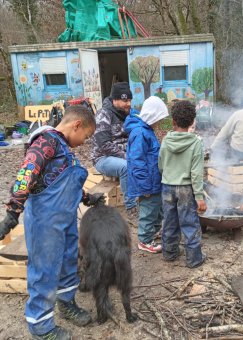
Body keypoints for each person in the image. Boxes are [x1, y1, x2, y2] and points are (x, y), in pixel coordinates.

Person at [0, 106, 104, 339]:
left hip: (65, 221)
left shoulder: (64, 148)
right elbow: (26, 174)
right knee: (44, 272)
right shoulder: (45, 142)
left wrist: (88, 198)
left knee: (68, 264)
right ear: (76, 124)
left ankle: (66, 304)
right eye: (86, 136)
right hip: (45, 223)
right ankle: (41, 327)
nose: (84, 142)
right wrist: (13, 212)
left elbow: (63, 181)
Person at [158, 100, 207, 268]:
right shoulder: (196, 143)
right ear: (192, 121)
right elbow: (197, 173)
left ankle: (169, 253)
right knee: (189, 222)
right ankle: (194, 258)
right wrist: (199, 196)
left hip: (167, 186)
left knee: (169, 221)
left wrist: (168, 176)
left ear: (173, 122)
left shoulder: (165, 141)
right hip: (186, 188)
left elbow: (161, 165)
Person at [124, 96, 169, 253]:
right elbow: (137, 162)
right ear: (152, 116)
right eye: (158, 119)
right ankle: (144, 240)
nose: (159, 123)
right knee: (148, 211)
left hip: (153, 181)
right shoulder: (140, 133)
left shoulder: (147, 131)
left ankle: (152, 232)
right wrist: (145, 188)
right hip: (147, 184)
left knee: (157, 209)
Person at [91, 82, 138, 223]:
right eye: (125, 100)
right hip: (103, 158)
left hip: (124, 155)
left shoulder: (128, 113)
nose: (128, 104)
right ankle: (131, 209)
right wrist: (127, 157)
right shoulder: (103, 115)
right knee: (126, 166)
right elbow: (104, 144)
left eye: (129, 100)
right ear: (114, 100)